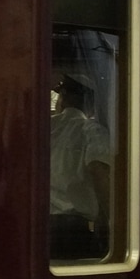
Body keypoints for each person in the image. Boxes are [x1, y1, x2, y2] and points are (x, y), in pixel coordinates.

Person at [50, 73, 112, 259]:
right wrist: (107, 217)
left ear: (64, 97)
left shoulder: (44, 127)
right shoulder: (92, 131)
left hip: (40, 224)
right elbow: (98, 171)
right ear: (91, 104)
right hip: (75, 229)